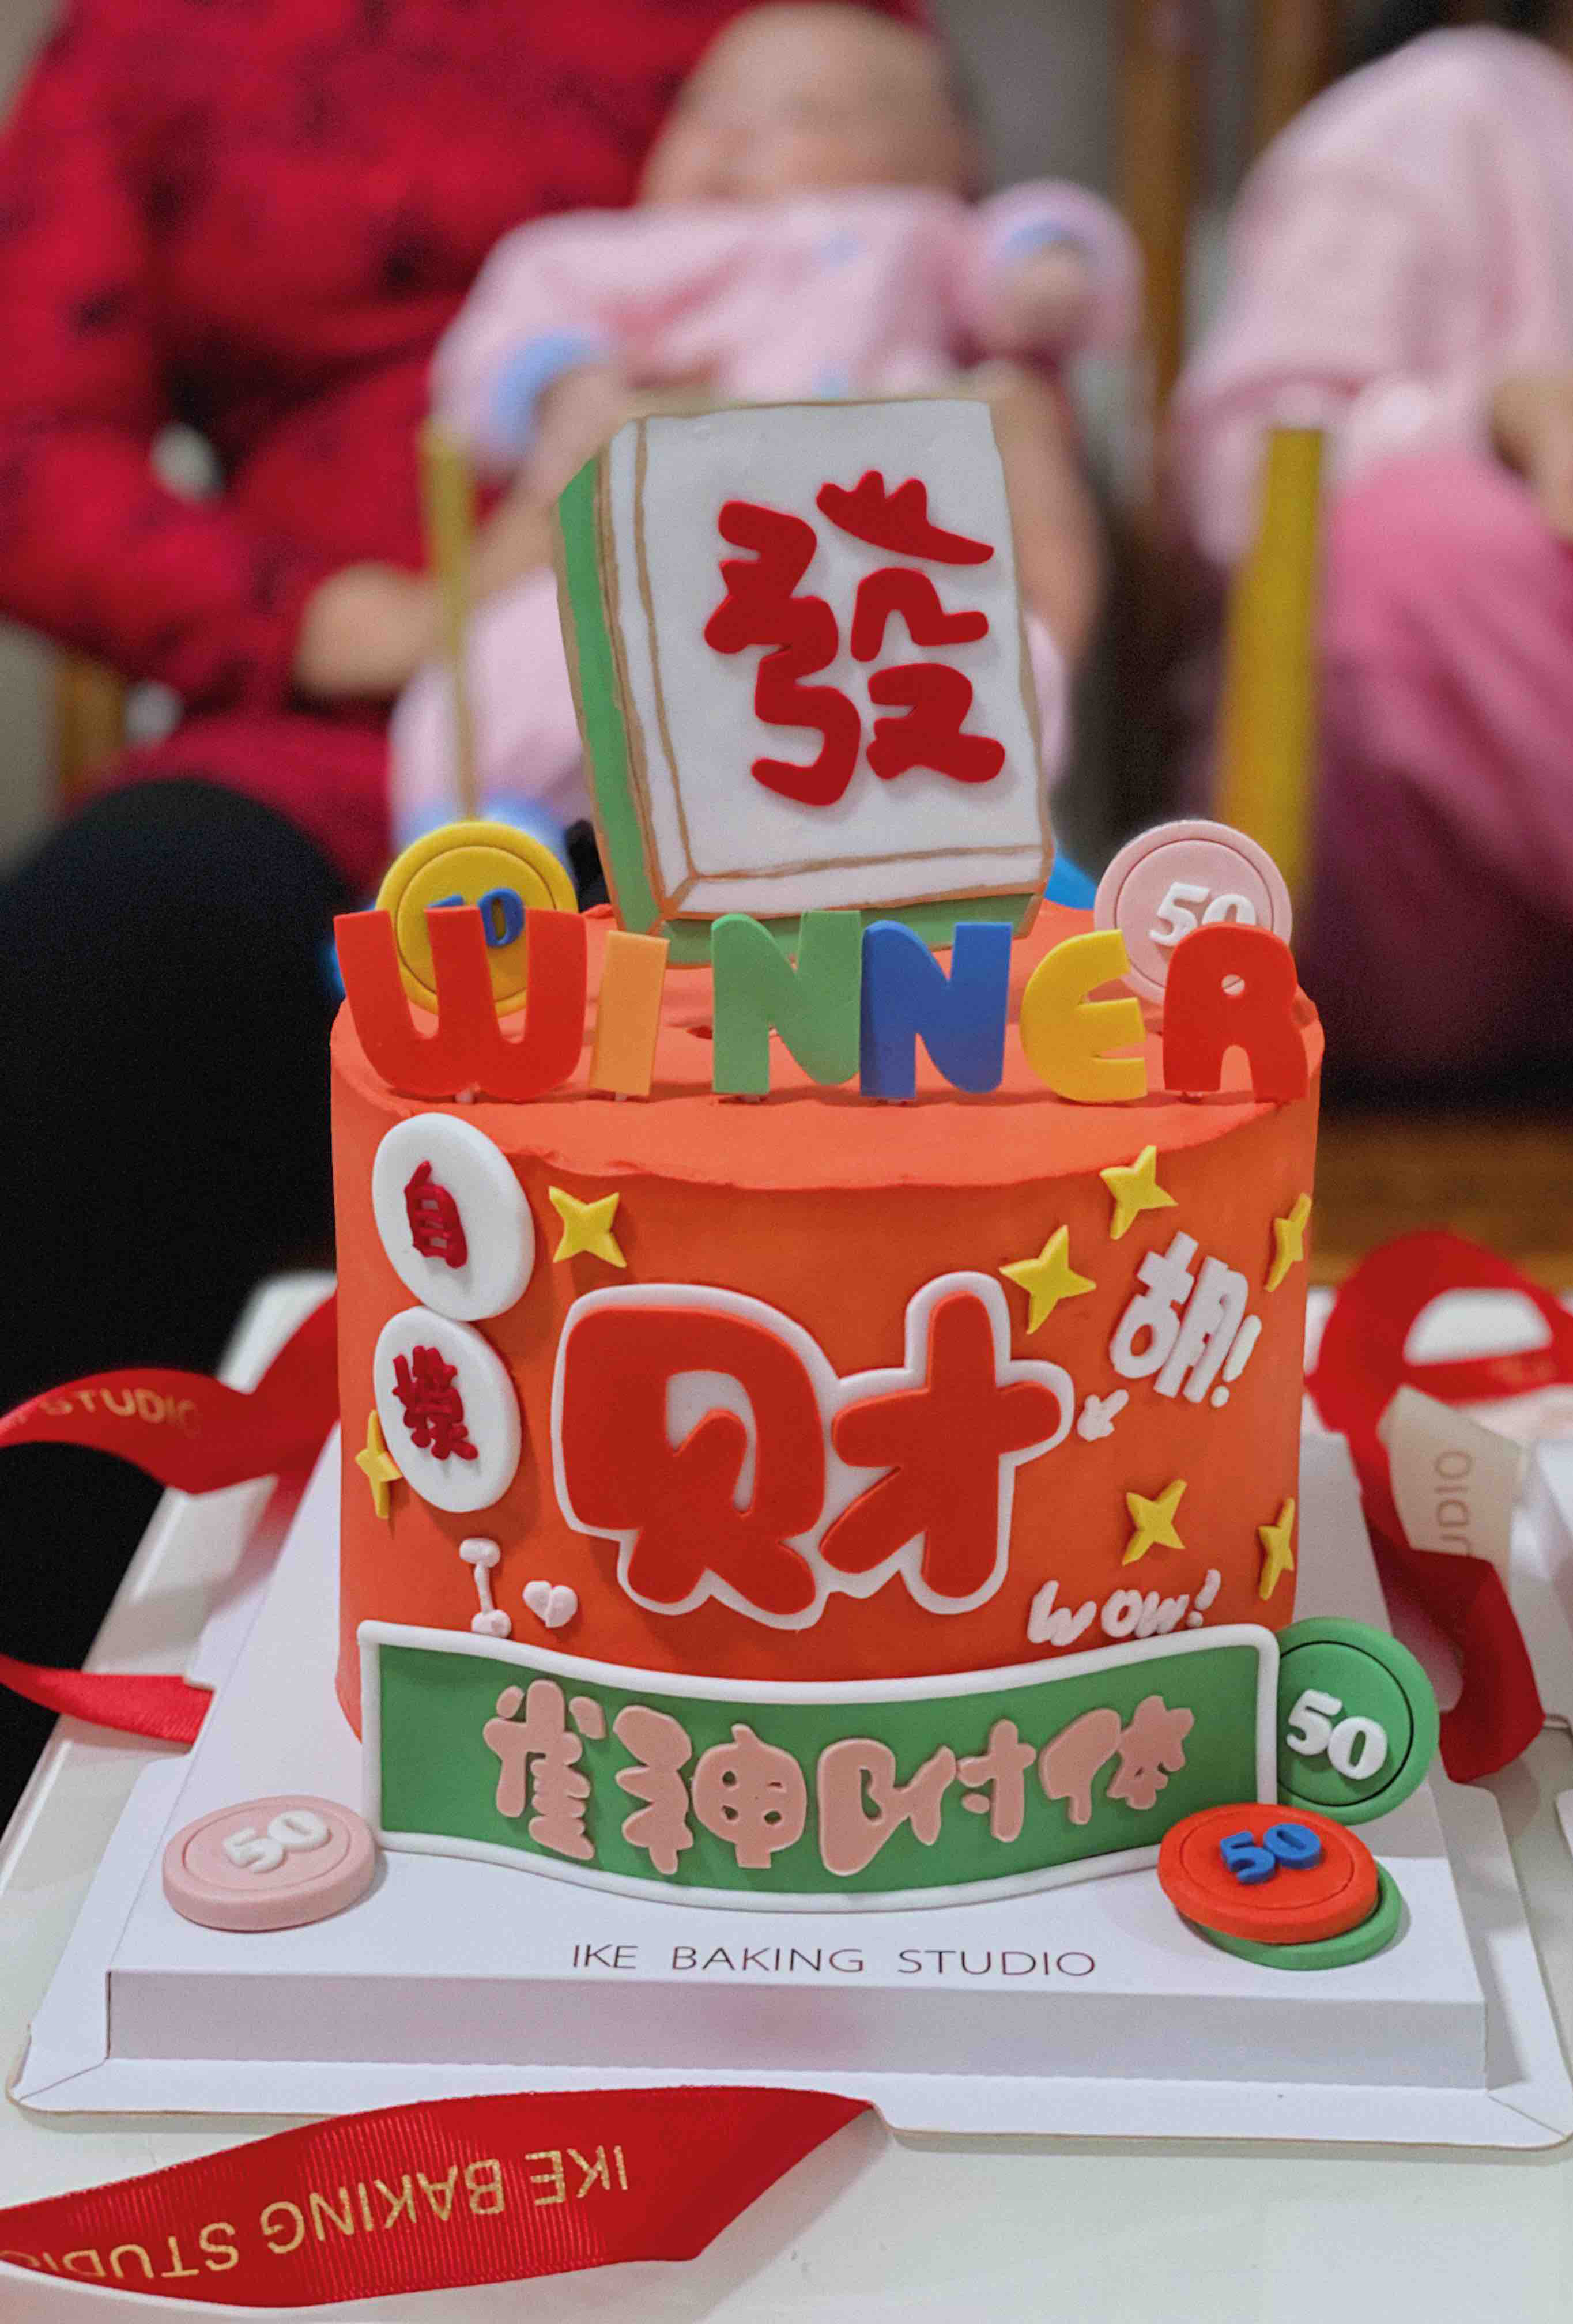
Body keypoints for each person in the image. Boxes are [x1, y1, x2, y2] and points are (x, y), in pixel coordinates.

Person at [0, 0, 922, 1812]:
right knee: (111, 965)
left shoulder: (804, 45)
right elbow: (31, 434)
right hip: (343, 720)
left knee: (806, 1002)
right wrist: (340, 620)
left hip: (764, 699)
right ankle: (63, 1798)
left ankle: (786, 1738)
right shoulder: (156, 34)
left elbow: (946, 248)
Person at [389, 3, 1133, 843]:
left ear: (929, 165)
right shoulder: (613, 252)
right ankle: (484, 834)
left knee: (982, 659)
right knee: (514, 660)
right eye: (703, 107)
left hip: (867, 567)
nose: (732, 137)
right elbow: (504, 329)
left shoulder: (915, 235)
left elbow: (1026, 241)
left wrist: (1048, 271)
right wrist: (558, 382)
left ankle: (951, 847)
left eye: (801, 115)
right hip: (657, 556)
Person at [1172, 0, 1573, 1084]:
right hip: (1386, 879)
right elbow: (1240, 479)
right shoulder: (1439, 117)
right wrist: (1487, 417)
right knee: (1413, 551)